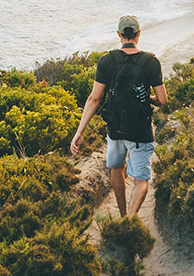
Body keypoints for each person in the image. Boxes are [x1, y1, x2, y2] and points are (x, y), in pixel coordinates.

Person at [70, 15, 167, 217]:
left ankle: (123, 214)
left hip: (115, 129)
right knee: (141, 181)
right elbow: (162, 99)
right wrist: (148, 99)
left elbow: (94, 99)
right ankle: (131, 219)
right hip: (140, 130)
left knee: (116, 168)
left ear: (119, 35)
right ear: (138, 34)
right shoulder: (151, 62)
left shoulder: (106, 61)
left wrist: (79, 132)